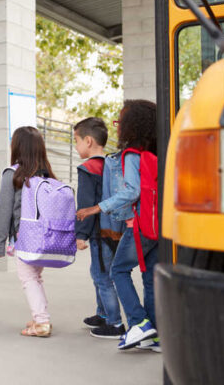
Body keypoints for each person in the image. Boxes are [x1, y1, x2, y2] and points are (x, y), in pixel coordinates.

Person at [76, 100, 159, 352]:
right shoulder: (156, 153)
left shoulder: (132, 155)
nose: (118, 127)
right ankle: (156, 334)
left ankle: (139, 322)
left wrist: (96, 208)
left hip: (140, 225)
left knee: (118, 271)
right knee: (149, 278)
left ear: (132, 126)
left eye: (120, 121)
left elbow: (132, 191)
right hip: (158, 225)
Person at [0, 126, 58, 338]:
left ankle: (41, 322)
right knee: (36, 277)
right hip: (46, 234)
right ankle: (41, 315)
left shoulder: (13, 174)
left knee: (27, 277)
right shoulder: (47, 174)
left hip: (26, 236)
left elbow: (3, 210)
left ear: (17, 147)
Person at [73, 117, 125, 339]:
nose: (75, 146)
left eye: (76, 141)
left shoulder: (88, 168)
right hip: (115, 229)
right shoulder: (112, 165)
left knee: (102, 276)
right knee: (100, 272)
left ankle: (114, 323)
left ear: (88, 141)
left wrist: (80, 234)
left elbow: (85, 203)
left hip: (97, 231)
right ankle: (102, 314)